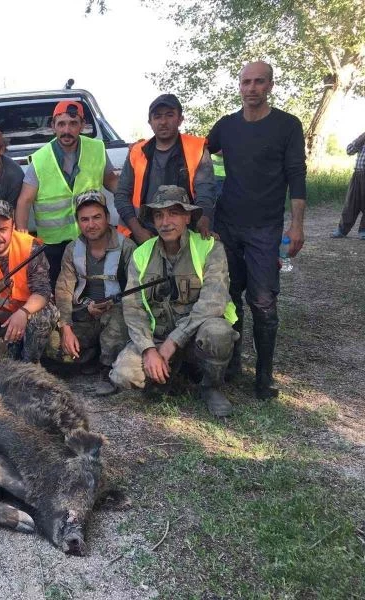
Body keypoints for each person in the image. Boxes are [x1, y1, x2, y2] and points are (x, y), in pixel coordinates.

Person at [207, 61, 307, 399]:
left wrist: (296, 225)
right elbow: (198, 156)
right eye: (246, 82)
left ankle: (264, 377)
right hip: (227, 225)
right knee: (230, 296)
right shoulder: (226, 126)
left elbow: (297, 175)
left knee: (263, 301)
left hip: (265, 227)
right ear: (239, 86)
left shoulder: (287, 126)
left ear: (270, 86)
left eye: (259, 82)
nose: (252, 88)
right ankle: (232, 365)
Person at [109, 186, 239, 417]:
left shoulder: (210, 247)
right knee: (123, 374)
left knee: (218, 333)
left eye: (173, 213)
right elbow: (133, 307)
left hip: (195, 336)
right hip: (157, 336)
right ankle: (169, 376)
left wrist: (173, 342)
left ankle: (211, 387)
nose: (165, 222)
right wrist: (149, 350)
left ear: (188, 217)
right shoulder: (141, 254)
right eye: (159, 215)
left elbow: (214, 302)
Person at [15, 101, 119, 288]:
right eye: (61, 124)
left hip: (90, 235)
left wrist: (132, 205)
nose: (67, 130)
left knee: (95, 287)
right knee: (59, 288)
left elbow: (111, 181)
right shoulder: (40, 159)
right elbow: (24, 201)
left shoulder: (97, 149)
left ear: (82, 125)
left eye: (72, 123)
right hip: (54, 245)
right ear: (53, 126)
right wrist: (23, 242)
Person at [51, 190, 137, 394]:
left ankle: (108, 368)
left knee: (117, 324)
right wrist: (66, 328)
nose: (91, 224)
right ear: (78, 223)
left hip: (116, 312)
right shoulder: (72, 249)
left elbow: (135, 292)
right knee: (54, 346)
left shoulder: (127, 247)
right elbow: (63, 290)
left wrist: (114, 305)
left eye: (97, 217)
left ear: (107, 217)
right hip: (84, 313)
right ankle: (90, 356)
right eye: (85, 219)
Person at [114, 94, 216, 243]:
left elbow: (206, 191)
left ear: (180, 119)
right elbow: (122, 194)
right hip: (145, 234)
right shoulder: (137, 151)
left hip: (185, 235)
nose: (163, 122)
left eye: (169, 115)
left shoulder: (196, 149)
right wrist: (138, 231)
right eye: (157, 116)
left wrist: (203, 219)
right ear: (150, 122)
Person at [0, 200, 58, 363]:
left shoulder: (30, 247)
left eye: (3, 230)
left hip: (26, 312)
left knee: (45, 314)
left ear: (13, 227)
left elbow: (43, 291)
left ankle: (30, 366)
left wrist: (23, 313)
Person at [330, 130, 365, 240]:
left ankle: (363, 231)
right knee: (351, 203)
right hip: (358, 174)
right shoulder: (362, 139)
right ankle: (342, 230)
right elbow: (349, 150)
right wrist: (361, 139)